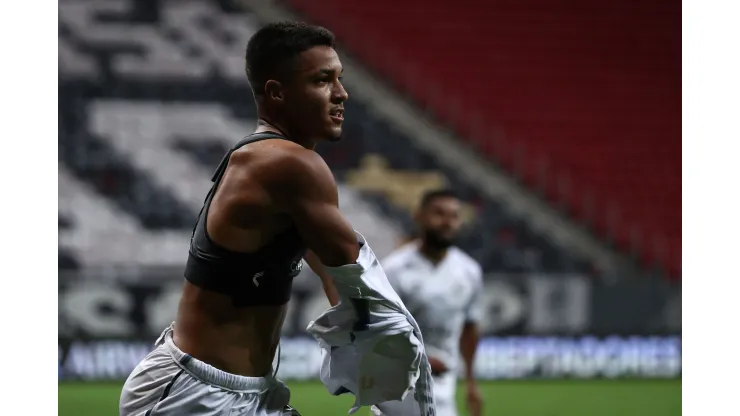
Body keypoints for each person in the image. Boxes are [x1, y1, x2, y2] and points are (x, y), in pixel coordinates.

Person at [119, 21, 359, 416]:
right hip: (195, 395)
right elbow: (356, 269)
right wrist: (391, 354)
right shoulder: (287, 163)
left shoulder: (279, 165)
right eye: (323, 80)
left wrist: (357, 331)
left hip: (242, 392)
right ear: (276, 93)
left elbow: (339, 272)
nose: (341, 93)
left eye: (339, 78)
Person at [374, 190, 484, 416]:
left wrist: (471, 383)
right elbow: (377, 332)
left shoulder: (469, 271)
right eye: (439, 214)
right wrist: (419, 359)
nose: (448, 222)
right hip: (395, 394)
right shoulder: (394, 270)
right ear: (419, 217)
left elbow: (469, 327)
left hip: (443, 394)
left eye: (454, 216)